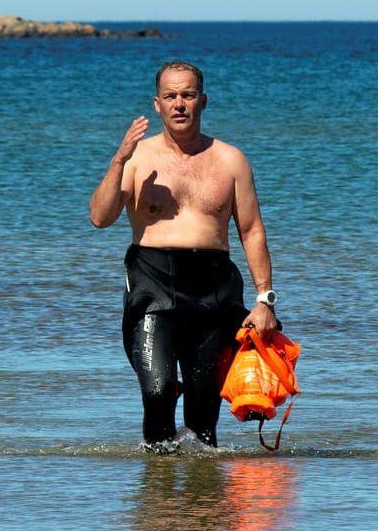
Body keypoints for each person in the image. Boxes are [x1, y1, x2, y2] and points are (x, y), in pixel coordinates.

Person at [89, 60, 279, 450]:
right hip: (152, 283)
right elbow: (99, 217)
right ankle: (158, 501)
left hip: (214, 286)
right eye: (171, 96)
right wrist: (118, 160)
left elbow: (251, 230)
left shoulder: (231, 160)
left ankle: (201, 507)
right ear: (157, 104)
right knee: (158, 391)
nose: (180, 104)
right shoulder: (137, 158)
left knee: (203, 416)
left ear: (203, 101)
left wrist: (264, 301)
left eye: (188, 95)